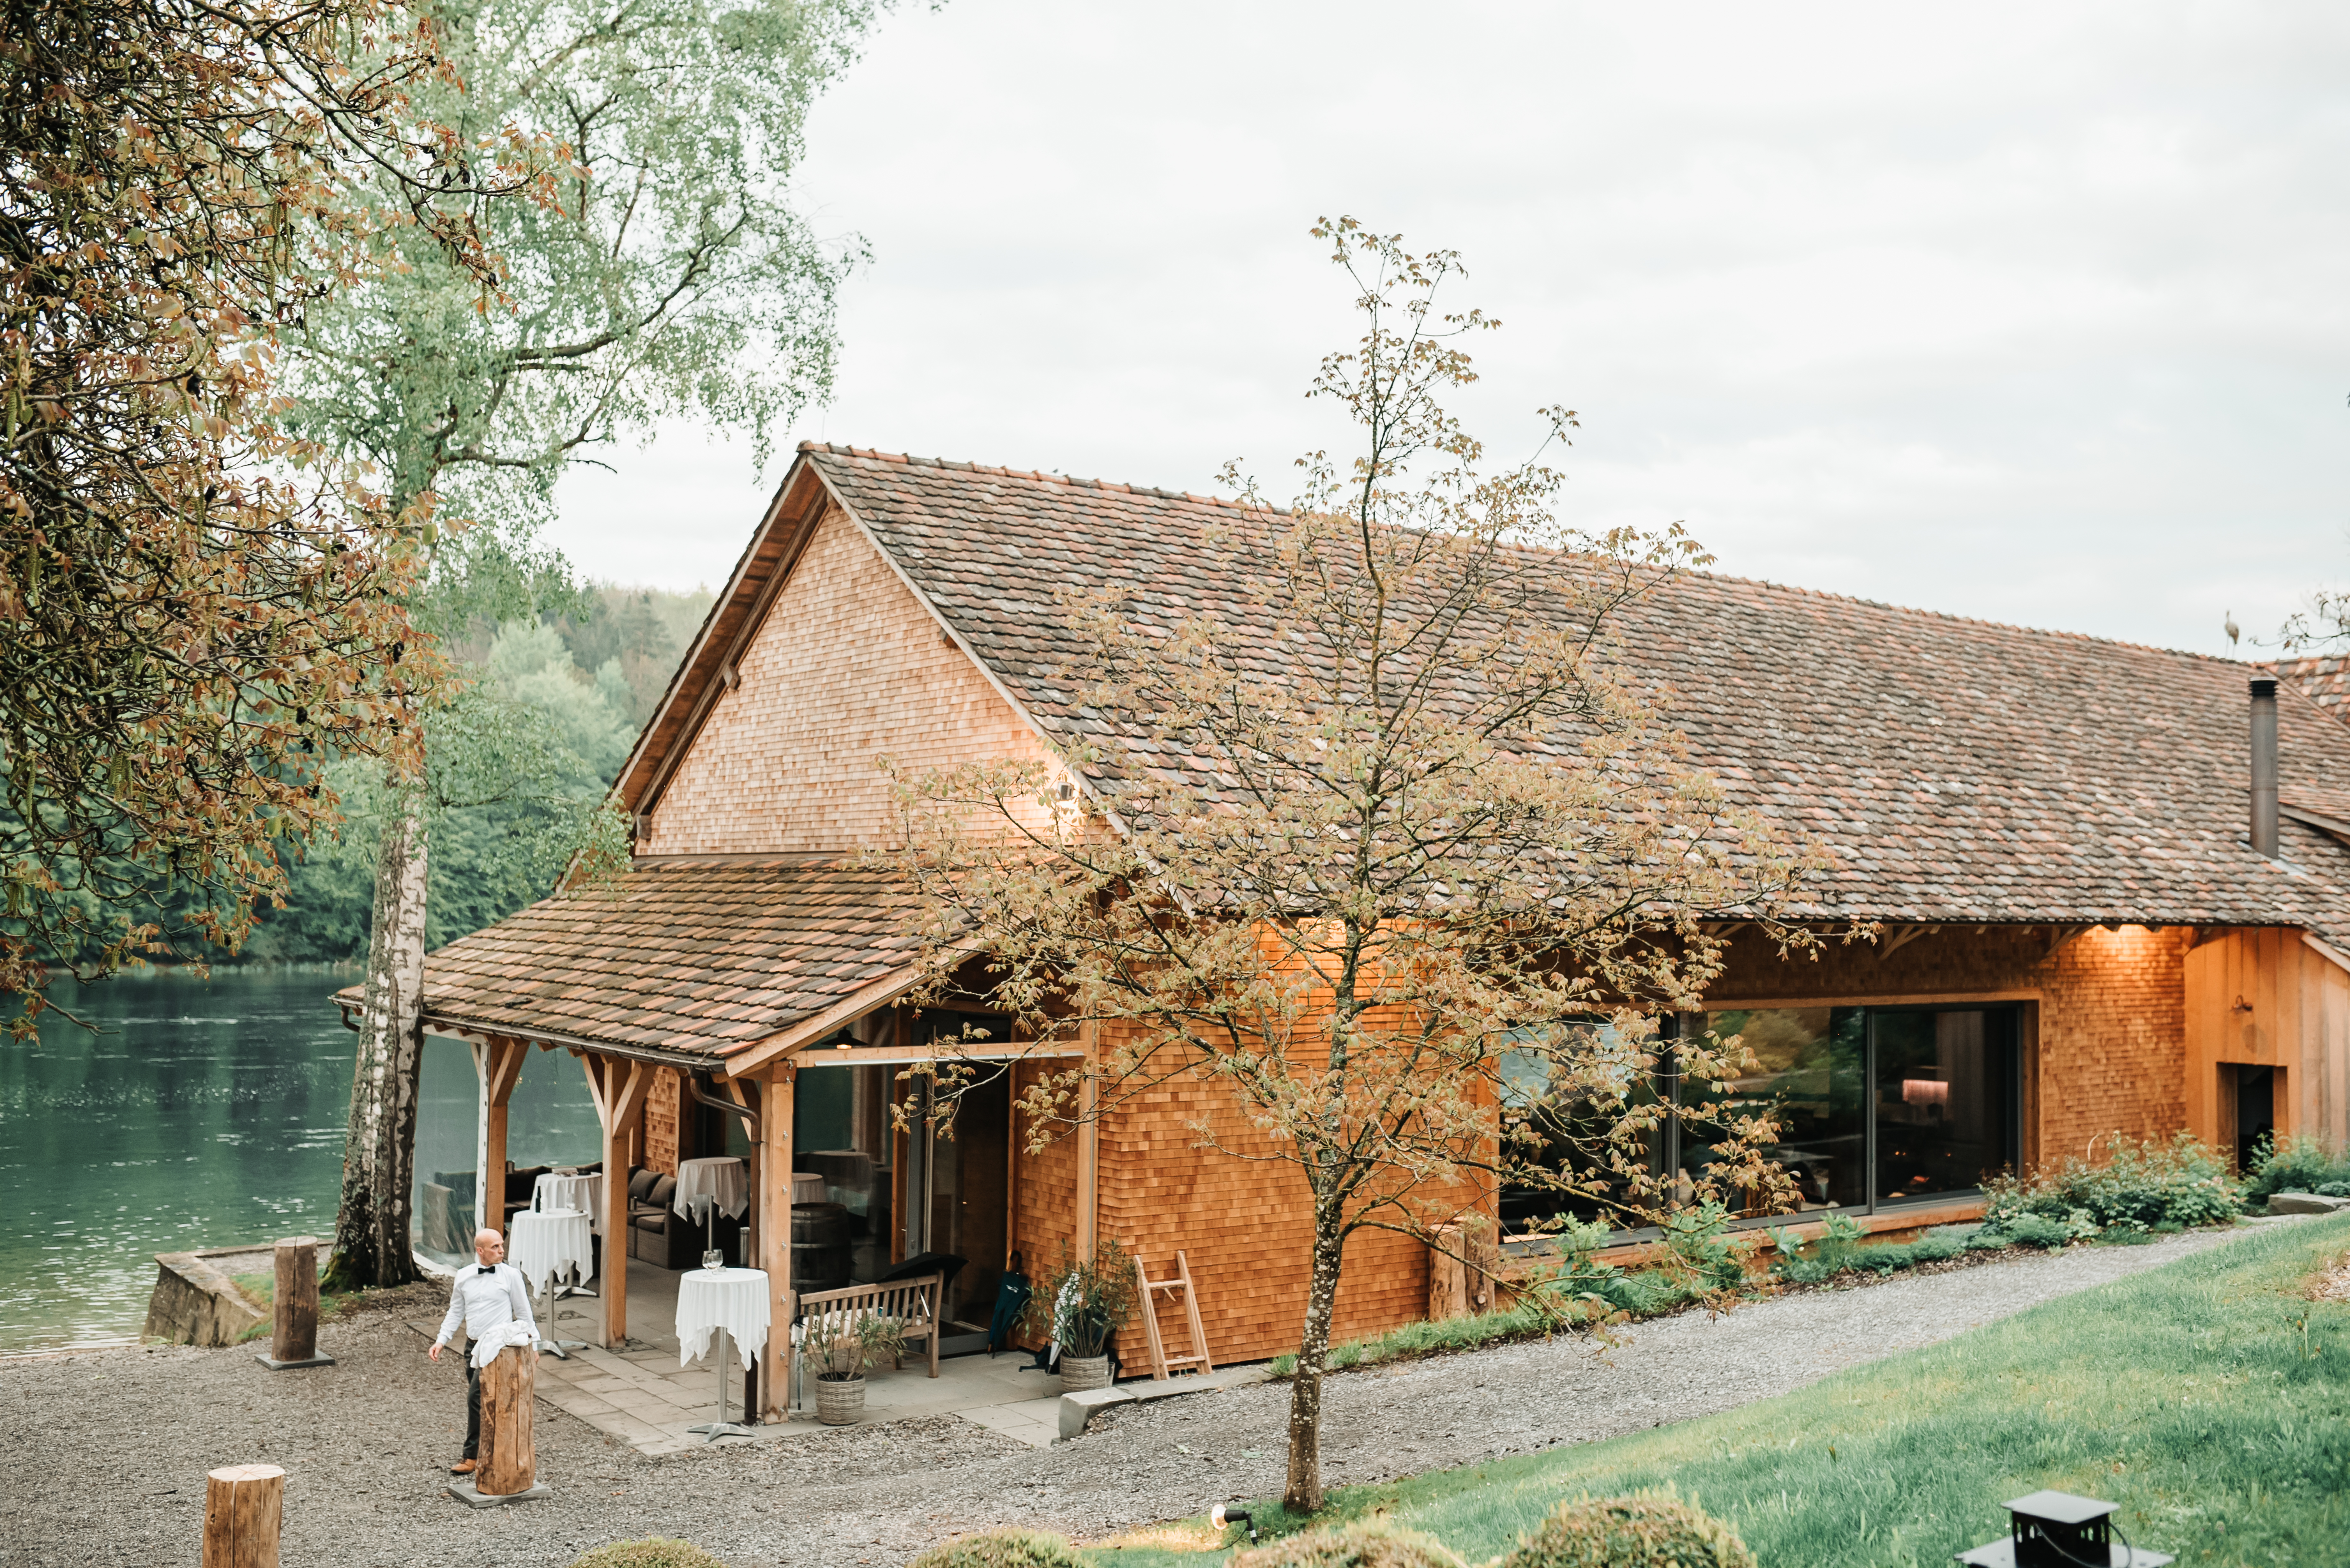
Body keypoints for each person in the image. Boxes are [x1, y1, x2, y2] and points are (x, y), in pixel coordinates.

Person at [429, 1227, 536, 1475]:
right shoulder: (464, 1276)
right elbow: (456, 1311)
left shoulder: (511, 1276)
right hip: (472, 1346)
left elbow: (524, 1313)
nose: (502, 1250)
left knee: (475, 1398)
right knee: (485, 1403)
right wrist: (441, 1341)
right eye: (495, 1247)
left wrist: (534, 1345)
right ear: (481, 1251)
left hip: (498, 1349)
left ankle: (472, 1456)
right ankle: (494, 1450)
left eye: (502, 1246)